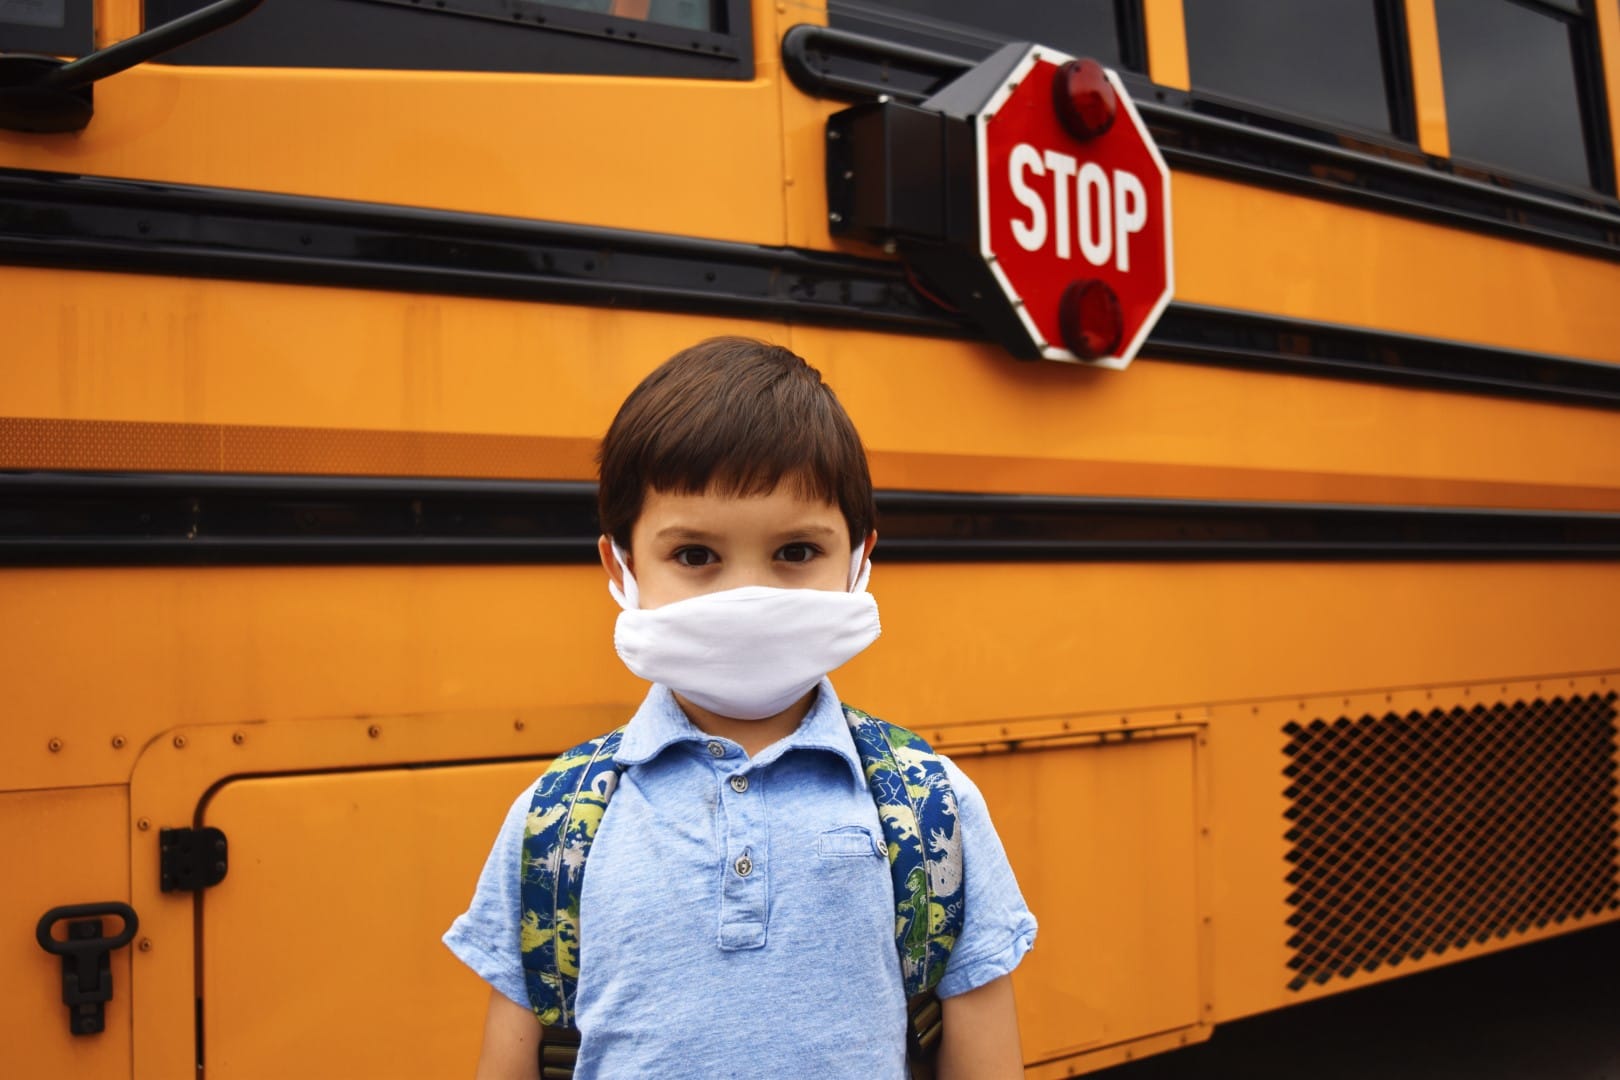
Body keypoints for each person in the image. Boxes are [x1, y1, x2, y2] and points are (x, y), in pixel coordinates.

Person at [444, 337, 1036, 1079]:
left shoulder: (931, 808)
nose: (744, 596)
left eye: (795, 553)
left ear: (859, 561)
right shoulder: (556, 822)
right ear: (620, 567)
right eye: (695, 556)